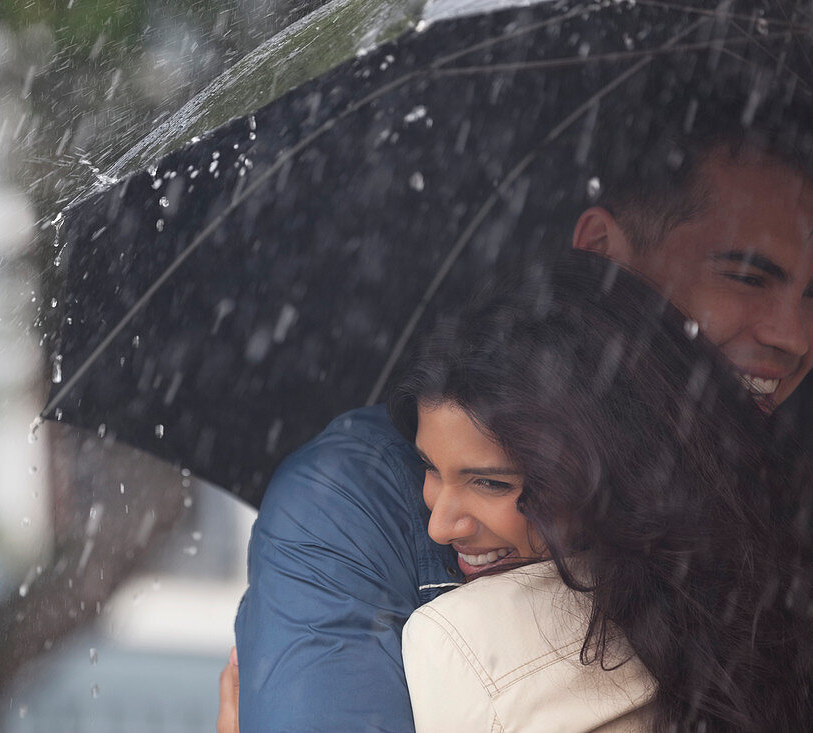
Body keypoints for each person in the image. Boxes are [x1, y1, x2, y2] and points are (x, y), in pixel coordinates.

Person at [224, 85, 813, 733]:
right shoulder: (357, 504)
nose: (795, 336)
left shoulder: (778, 490)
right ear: (602, 253)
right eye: (747, 277)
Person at [392, 252, 812, 731]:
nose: (440, 527)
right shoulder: (766, 590)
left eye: (491, 482)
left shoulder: (462, 644)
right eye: (429, 467)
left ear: (621, 470)